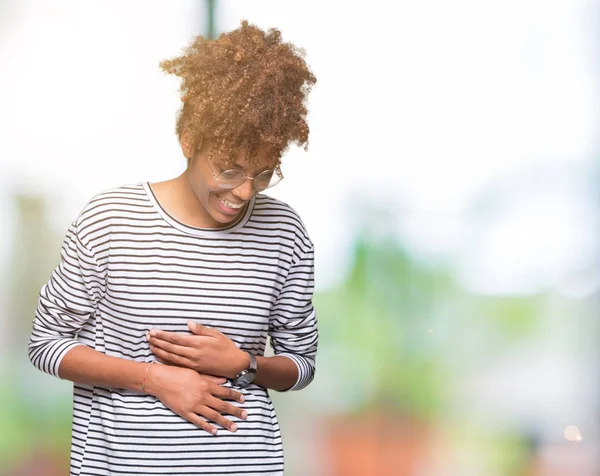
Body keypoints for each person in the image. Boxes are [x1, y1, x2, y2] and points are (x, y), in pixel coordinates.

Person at [28, 20, 318, 476]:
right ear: (188, 141)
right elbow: (46, 345)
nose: (244, 192)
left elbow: (302, 365)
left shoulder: (283, 231)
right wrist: (152, 378)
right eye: (229, 169)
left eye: (262, 174)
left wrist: (245, 364)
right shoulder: (110, 220)